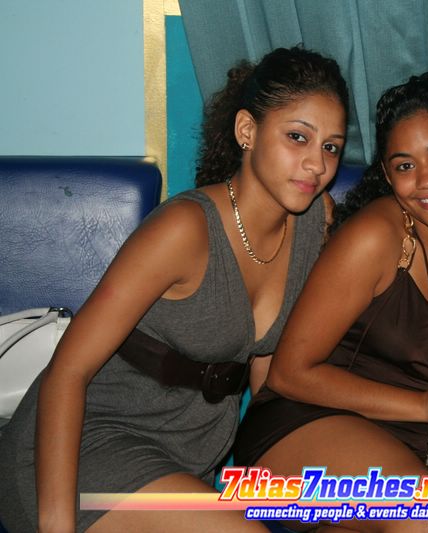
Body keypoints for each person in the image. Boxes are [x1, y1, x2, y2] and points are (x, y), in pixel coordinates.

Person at [0, 46, 348, 533]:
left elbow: (267, 377)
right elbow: (68, 371)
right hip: (83, 446)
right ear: (247, 131)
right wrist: (55, 527)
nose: (316, 164)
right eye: (298, 137)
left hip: (188, 457)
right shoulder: (185, 229)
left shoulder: (314, 221)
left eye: (331, 147)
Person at [233, 73, 428, 533]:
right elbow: (289, 374)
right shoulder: (376, 237)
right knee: (424, 507)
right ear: (387, 175)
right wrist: (423, 405)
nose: (427, 179)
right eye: (405, 165)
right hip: (302, 426)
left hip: (411, 444)